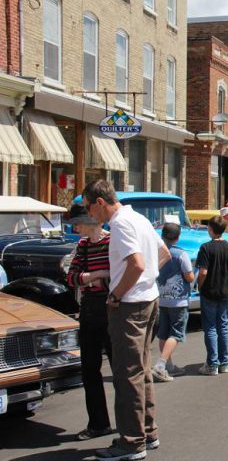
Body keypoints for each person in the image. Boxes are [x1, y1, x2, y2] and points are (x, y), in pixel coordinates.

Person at [83, 180, 171, 461]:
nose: (89, 214)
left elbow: (137, 264)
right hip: (149, 299)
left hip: (130, 305)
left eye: (89, 207)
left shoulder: (120, 224)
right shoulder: (139, 218)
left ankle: (132, 442)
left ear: (99, 202)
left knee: (126, 374)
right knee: (141, 369)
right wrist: (145, 282)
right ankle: (147, 431)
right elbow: (163, 254)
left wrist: (117, 294)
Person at [66, 203, 114, 442]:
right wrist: (95, 276)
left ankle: (128, 422)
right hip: (90, 312)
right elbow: (71, 277)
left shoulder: (111, 242)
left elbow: (117, 277)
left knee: (120, 370)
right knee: (89, 369)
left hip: (111, 309)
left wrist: (91, 280)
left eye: (77, 223)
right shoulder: (83, 245)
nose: (75, 228)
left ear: (89, 221)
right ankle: (98, 423)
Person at [196, 217, 228, 376]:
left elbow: (203, 272)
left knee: (211, 327)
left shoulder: (206, 248)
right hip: (225, 291)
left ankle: (212, 363)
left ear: (211, 229)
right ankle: (224, 362)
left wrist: (200, 285)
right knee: (223, 325)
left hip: (209, 291)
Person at [152, 223, 194, 382]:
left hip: (161, 298)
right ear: (178, 237)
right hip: (179, 300)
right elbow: (189, 276)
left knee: (163, 332)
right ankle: (161, 364)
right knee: (176, 333)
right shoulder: (181, 254)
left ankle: (169, 365)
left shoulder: (157, 252)